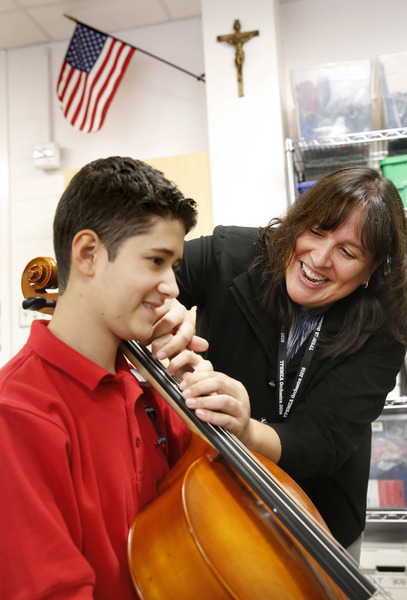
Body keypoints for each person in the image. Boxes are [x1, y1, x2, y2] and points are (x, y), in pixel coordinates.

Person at [0, 157, 252, 600]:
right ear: (88, 254)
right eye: (156, 261)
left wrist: (226, 420)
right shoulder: (18, 413)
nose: (173, 287)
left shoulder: (148, 386)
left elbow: (213, 514)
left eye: (173, 265)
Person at [153, 165, 407, 562]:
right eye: (316, 232)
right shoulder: (230, 253)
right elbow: (145, 273)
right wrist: (159, 304)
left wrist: (246, 431)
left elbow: (323, 439)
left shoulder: (386, 323)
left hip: (316, 519)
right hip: (212, 498)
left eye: (348, 252)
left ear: (372, 268)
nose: (320, 259)